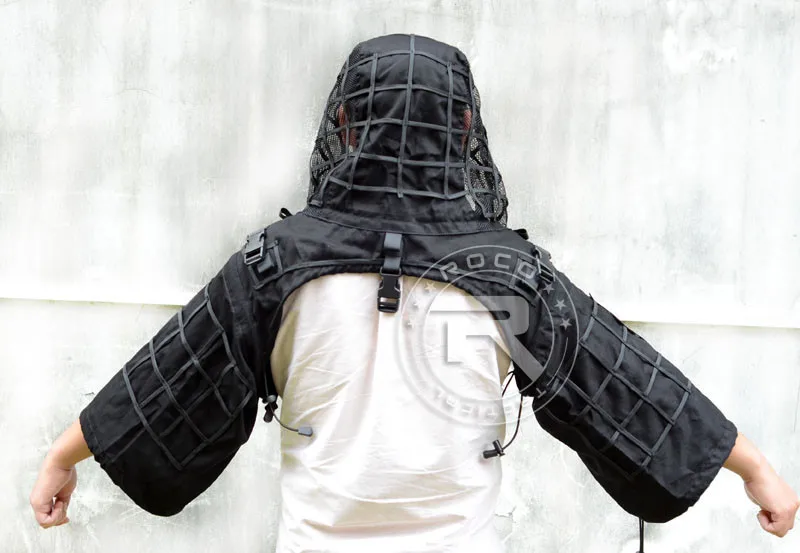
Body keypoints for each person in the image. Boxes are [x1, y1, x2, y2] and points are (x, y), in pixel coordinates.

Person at [30, 34, 799, 551]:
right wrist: (756, 468)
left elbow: (161, 381)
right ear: (464, 126)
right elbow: (630, 386)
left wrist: (62, 457)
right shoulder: (510, 275)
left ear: (344, 121)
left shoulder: (274, 264)